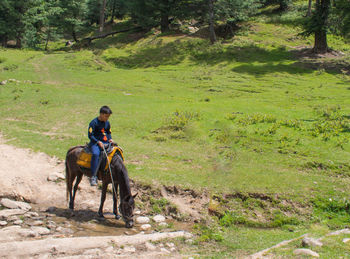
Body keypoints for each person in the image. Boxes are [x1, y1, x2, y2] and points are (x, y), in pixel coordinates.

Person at [88, 106, 114, 186]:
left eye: (108, 116)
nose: (107, 118)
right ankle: (93, 176)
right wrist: (97, 141)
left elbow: (108, 132)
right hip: (95, 143)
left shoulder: (107, 123)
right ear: (101, 114)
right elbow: (90, 135)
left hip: (105, 142)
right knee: (96, 154)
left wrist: (110, 139)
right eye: (106, 116)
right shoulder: (93, 122)